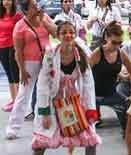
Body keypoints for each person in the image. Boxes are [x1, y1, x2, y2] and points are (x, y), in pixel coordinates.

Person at [32, 21, 101, 155]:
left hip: (75, 102)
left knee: (91, 139)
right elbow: (43, 84)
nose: (68, 35)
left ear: (75, 34)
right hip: (52, 102)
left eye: (71, 32)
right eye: (64, 32)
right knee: (42, 141)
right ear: (57, 35)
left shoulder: (81, 55)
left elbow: (88, 84)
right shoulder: (50, 54)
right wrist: (44, 112)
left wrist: (90, 109)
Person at [5, 0, 57, 139]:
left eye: (37, 5)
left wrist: (44, 21)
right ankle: (13, 128)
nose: (37, 7)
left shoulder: (44, 17)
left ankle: (42, 125)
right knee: (23, 94)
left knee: (48, 91)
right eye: (33, 6)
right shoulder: (20, 26)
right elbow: (18, 51)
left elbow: (56, 33)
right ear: (26, 10)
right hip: (30, 62)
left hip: (47, 60)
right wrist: (22, 70)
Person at [89, 21, 131, 130]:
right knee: (91, 126)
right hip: (93, 95)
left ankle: (127, 134)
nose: (117, 46)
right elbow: (83, 74)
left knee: (129, 108)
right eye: (114, 42)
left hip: (111, 94)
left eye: (120, 43)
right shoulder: (97, 53)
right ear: (106, 37)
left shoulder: (121, 53)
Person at [0, 0, 23, 112]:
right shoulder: (0, 15)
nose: (6, 2)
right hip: (2, 47)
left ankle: (19, 101)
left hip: (13, 47)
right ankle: (14, 100)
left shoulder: (17, 16)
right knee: (9, 75)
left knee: (15, 74)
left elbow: (21, 31)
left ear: (13, 1)